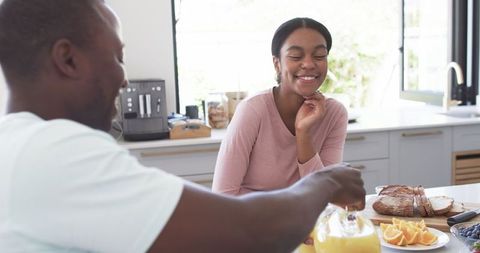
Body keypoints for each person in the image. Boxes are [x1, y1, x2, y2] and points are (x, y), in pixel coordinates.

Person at [0, 1, 365, 252]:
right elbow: (246, 232)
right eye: (117, 57)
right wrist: (326, 181)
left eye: (319, 55)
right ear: (67, 59)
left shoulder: (20, 142)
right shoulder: (54, 154)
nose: (125, 79)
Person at [212, 18, 348, 195]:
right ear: (277, 64)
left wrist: (303, 133)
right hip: (250, 220)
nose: (308, 64)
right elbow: (222, 196)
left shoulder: (335, 114)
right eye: (296, 56)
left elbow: (328, 195)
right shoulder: (252, 110)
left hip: (308, 221)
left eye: (319, 56)